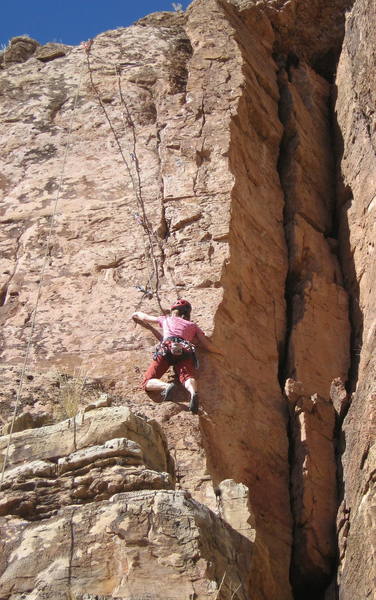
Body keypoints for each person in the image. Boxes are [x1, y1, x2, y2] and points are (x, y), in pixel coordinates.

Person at [132, 299, 221, 414]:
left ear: (174, 311)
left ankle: (166, 386)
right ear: (187, 314)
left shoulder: (166, 319)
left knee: (146, 382)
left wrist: (136, 314)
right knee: (187, 376)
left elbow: (144, 318)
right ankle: (193, 392)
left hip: (167, 348)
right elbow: (206, 344)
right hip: (185, 349)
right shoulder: (193, 326)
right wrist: (219, 352)